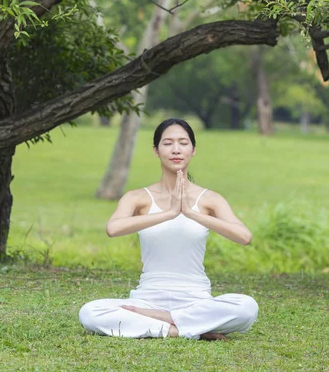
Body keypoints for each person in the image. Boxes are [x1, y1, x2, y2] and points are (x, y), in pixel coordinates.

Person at [79, 118, 258, 340]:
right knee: (89, 313)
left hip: (196, 299)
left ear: (193, 150)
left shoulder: (209, 199)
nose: (176, 149)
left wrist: (191, 213)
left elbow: (244, 236)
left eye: (183, 143)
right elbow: (113, 229)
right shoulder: (137, 197)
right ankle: (182, 329)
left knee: (247, 307)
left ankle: (160, 320)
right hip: (147, 298)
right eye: (167, 143)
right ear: (156, 150)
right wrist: (169, 213)